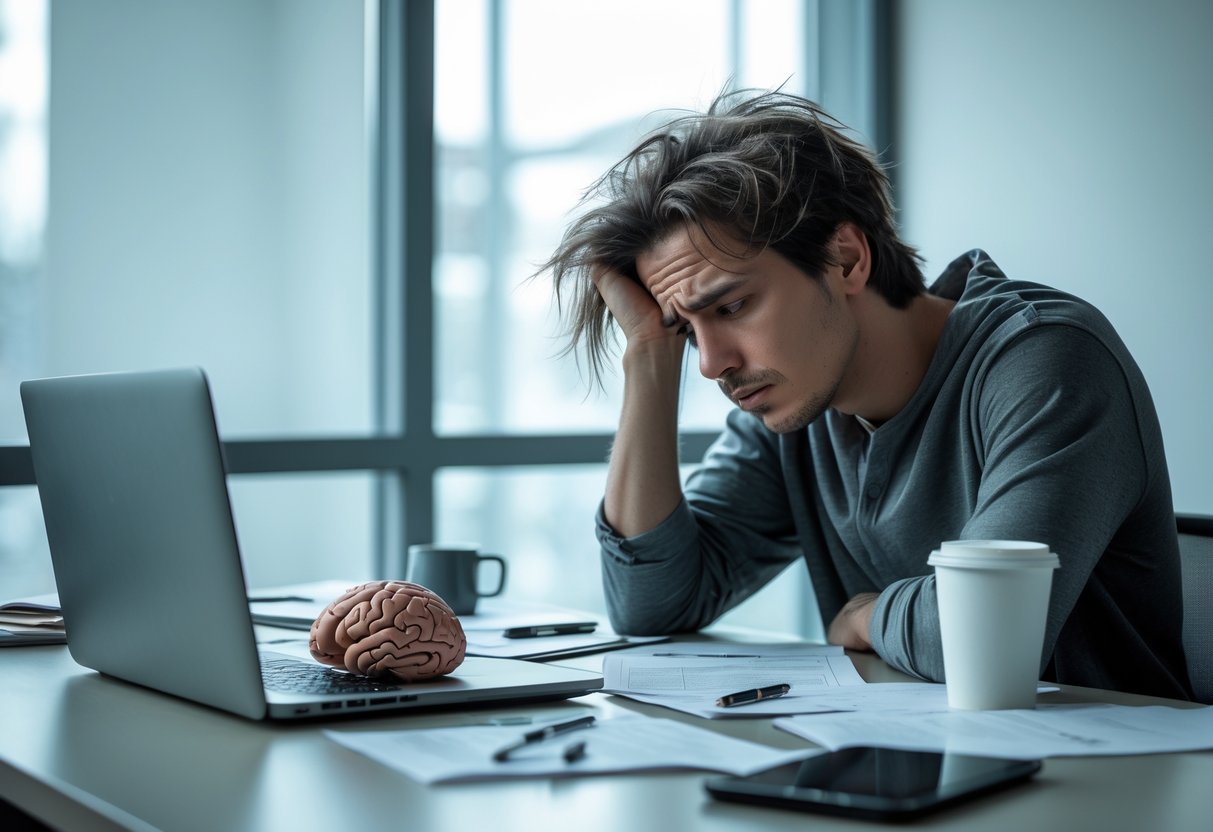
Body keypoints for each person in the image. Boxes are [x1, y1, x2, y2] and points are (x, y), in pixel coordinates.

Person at [540, 89, 1193, 700]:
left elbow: (982, 636)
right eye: (687, 330)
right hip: (912, 779)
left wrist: (870, 614)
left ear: (846, 258)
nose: (710, 365)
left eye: (733, 305)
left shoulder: (1042, 359)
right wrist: (649, 356)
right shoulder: (791, 408)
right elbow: (649, 606)